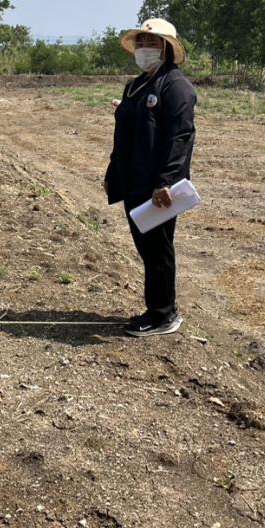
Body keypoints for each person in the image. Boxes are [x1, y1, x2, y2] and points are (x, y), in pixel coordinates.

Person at [104, 18, 197, 337]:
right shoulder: (135, 85)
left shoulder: (176, 86)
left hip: (157, 186)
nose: (145, 49)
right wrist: (113, 173)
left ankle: (162, 314)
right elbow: (125, 133)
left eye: (152, 43)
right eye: (141, 42)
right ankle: (160, 307)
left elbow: (180, 136)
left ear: (167, 49)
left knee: (158, 248)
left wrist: (166, 182)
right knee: (146, 246)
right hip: (133, 180)